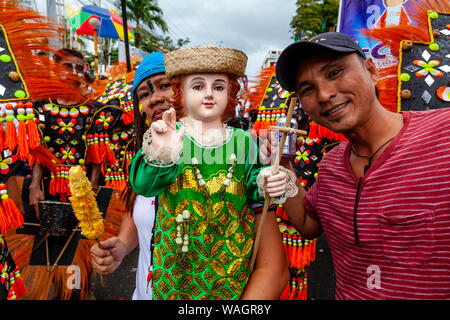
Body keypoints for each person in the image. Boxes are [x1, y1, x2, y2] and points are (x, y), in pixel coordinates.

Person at [271, 31, 450, 299]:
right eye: (307, 89)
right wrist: (284, 165)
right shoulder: (331, 166)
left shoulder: (443, 134)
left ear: (371, 70)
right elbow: (308, 225)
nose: (324, 94)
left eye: (334, 73)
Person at [128, 45, 294, 300]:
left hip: (229, 272)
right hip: (175, 274)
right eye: (197, 87)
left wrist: (269, 181)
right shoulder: (169, 133)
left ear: (230, 94)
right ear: (180, 93)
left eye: (218, 87)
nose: (209, 95)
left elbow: (256, 188)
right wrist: (161, 152)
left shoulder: (246, 142)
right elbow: (144, 185)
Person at [90, 52, 171, 300]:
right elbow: (142, 208)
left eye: (165, 86)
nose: (154, 99)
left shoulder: (226, 153)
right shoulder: (144, 158)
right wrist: (122, 246)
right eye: (144, 95)